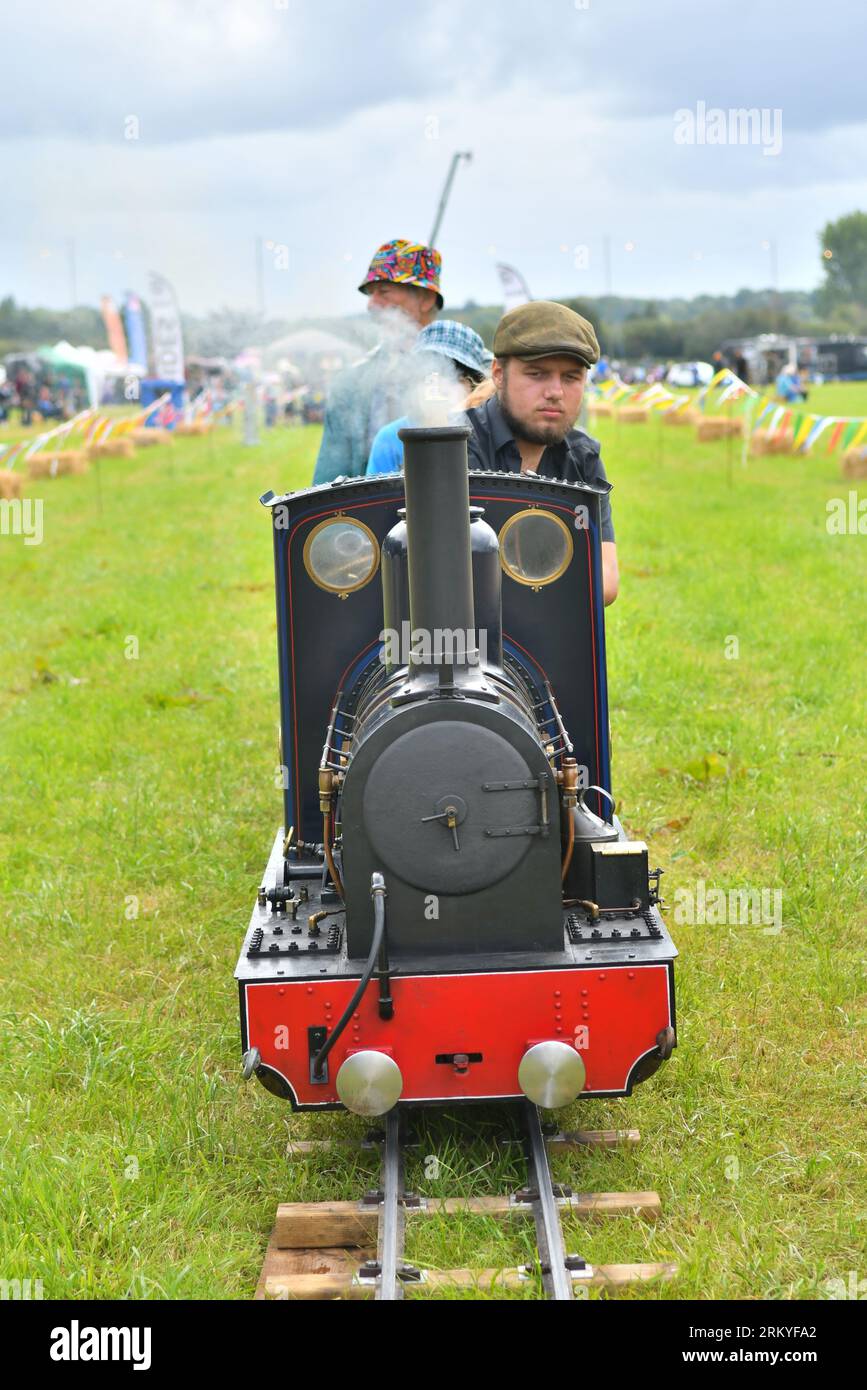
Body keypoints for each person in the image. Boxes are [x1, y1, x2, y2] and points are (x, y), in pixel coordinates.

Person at [465, 301, 619, 606]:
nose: (555, 392)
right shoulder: (455, 449)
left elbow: (606, 583)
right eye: (537, 374)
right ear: (498, 373)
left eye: (571, 377)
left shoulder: (583, 457)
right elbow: (458, 583)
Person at [312, 239, 443, 484]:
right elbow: (327, 482)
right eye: (371, 295)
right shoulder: (349, 384)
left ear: (425, 298)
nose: (372, 305)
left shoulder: (472, 376)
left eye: (383, 292)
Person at [366, 321, 490, 476]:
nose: (441, 387)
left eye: (457, 377)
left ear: (475, 386)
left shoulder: (487, 437)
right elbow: (378, 498)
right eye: (430, 374)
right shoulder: (391, 439)